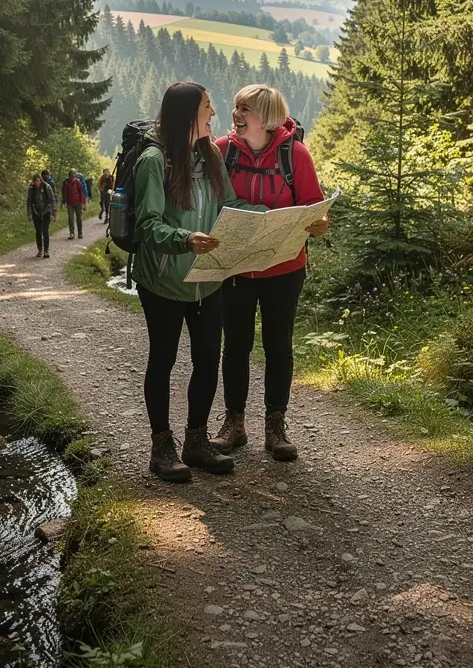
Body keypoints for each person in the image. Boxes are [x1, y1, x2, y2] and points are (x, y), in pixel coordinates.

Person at [133, 81, 265, 483]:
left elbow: (231, 206)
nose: (214, 112)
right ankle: (161, 448)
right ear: (188, 113)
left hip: (208, 280)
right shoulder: (154, 161)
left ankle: (195, 441)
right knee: (164, 360)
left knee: (208, 359)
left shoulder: (210, 155)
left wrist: (278, 219)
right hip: (163, 282)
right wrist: (185, 239)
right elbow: (147, 226)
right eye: (208, 106)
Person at [211, 84, 328, 462]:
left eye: (244, 109)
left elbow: (314, 206)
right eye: (235, 107)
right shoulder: (222, 151)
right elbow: (205, 201)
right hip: (236, 267)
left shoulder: (295, 154)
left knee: (279, 345)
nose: (236, 115)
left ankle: (276, 426)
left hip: (285, 267)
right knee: (237, 345)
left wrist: (319, 221)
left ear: (268, 116)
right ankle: (235, 423)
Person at [26, 174, 56, 258]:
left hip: (46, 211)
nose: (37, 183)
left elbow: (52, 199)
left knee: (45, 231)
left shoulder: (47, 187)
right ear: (33, 181)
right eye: (35, 181)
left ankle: (46, 250)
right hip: (36, 212)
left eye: (38, 181)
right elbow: (28, 202)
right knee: (38, 231)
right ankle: (40, 250)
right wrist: (29, 214)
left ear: (41, 180)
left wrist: (54, 213)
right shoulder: (31, 189)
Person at [61, 168, 86, 239]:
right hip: (69, 203)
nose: (72, 177)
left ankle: (80, 233)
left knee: (79, 218)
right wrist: (63, 201)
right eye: (71, 175)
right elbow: (64, 192)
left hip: (78, 203)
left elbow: (81, 192)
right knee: (70, 218)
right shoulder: (66, 182)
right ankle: (72, 233)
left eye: (73, 175)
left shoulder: (78, 182)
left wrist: (83, 203)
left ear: (75, 175)